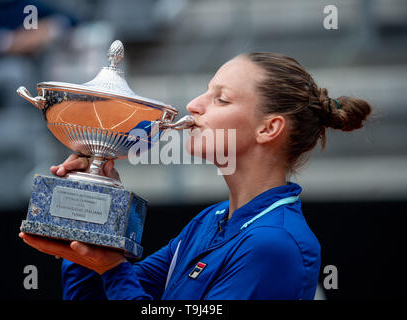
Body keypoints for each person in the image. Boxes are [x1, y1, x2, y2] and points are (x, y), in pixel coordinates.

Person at [19, 52, 371, 300]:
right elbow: (109, 293)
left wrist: (111, 268)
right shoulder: (212, 221)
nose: (194, 105)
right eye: (206, 90)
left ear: (269, 128)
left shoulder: (273, 245)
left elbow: (118, 280)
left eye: (221, 99)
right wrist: (92, 211)